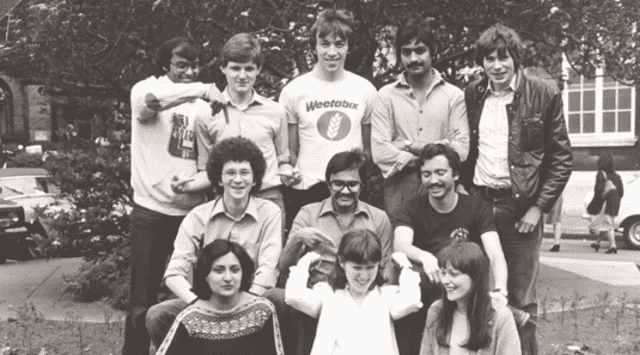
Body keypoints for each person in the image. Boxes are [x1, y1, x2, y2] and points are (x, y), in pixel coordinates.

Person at [459, 24, 572, 355]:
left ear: (515, 58)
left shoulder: (544, 93)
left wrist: (538, 207)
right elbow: (468, 150)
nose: (497, 66)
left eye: (503, 57)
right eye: (489, 59)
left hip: (520, 210)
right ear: (482, 62)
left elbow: (561, 159)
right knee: (480, 292)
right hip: (480, 203)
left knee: (521, 300)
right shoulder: (473, 95)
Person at [125, 36, 226, 355]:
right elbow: (151, 105)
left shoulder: (202, 106)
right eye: (182, 65)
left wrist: (197, 183)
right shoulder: (144, 88)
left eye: (194, 66)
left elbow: (214, 158)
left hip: (191, 215)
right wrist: (199, 88)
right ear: (164, 65)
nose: (189, 72)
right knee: (142, 297)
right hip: (150, 212)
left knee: (196, 292)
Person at [146, 137, 282, 348]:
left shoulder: (270, 213)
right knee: (158, 314)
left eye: (245, 173)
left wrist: (246, 305)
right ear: (219, 179)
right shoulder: (197, 216)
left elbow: (269, 268)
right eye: (230, 173)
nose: (238, 180)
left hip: (252, 299)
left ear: (255, 179)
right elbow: (174, 273)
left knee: (280, 300)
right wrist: (197, 304)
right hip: (205, 299)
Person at [264, 149, 394, 355]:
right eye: (338, 184)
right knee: (276, 297)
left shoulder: (378, 218)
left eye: (352, 184)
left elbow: (386, 268)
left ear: (362, 185)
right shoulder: (309, 213)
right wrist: (298, 239)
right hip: (318, 295)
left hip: (361, 294)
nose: (345, 191)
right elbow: (284, 265)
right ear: (328, 184)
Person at [393, 143, 509, 355]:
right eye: (426, 174)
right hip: (426, 293)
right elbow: (400, 245)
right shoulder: (412, 208)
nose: (433, 180)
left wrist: (500, 289)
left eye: (440, 172)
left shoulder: (475, 207)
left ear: (455, 175)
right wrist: (424, 255)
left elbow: (495, 253)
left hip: (465, 296)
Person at [181, 33, 294, 241]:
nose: (242, 75)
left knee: (270, 265)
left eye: (249, 68)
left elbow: (283, 160)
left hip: (268, 198)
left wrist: (289, 172)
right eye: (235, 68)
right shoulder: (206, 115)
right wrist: (186, 185)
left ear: (258, 70)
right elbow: (206, 169)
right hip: (226, 200)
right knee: (225, 265)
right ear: (223, 68)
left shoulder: (275, 111)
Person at [280, 9, 377, 230]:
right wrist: (288, 171)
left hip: (350, 189)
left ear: (348, 46)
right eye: (324, 44)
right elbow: (290, 151)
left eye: (339, 44)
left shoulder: (365, 90)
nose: (331, 52)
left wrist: (356, 180)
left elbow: (368, 150)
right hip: (308, 189)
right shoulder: (294, 91)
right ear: (314, 46)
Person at [371, 16, 469, 225]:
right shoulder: (385, 96)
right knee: (401, 251)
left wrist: (408, 146)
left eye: (420, 50)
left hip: (443, 189)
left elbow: (461, 149)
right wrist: (436, 153)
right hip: (399, 191)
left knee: (443, 250)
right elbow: (380, 151)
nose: (413, 58)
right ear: (399, 55)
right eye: (406, 52)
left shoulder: (454, 96)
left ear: (432, 52)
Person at [285, 229, 422, 355]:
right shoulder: (328, 294)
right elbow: (294, 296)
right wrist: (305, 263)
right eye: (357, 268)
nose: (364, 276)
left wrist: (404, 266)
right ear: (341, 262)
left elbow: (412, 301)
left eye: (370, 268)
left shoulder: (386, 296)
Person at [155, 239, 284, 355]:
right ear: (205, 275)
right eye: (219, 270)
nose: (228, 278)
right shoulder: (190, 319)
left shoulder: (262, 310)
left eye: (234, 270)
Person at [420, 241, 521, 355]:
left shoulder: (500, 317)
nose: (445, 281)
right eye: (443, 273)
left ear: (475, 278)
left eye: (453, 274)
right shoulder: (436, 311)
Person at [587, 152, 623, 254]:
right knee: (606, 223)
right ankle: (597, 243)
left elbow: (598, 191)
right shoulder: (617, 176)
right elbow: (621, 192)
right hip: (615, 203)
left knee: (607, 224)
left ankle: (613, 246)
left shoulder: (601, 174)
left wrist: (596, 203)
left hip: (605, 203)